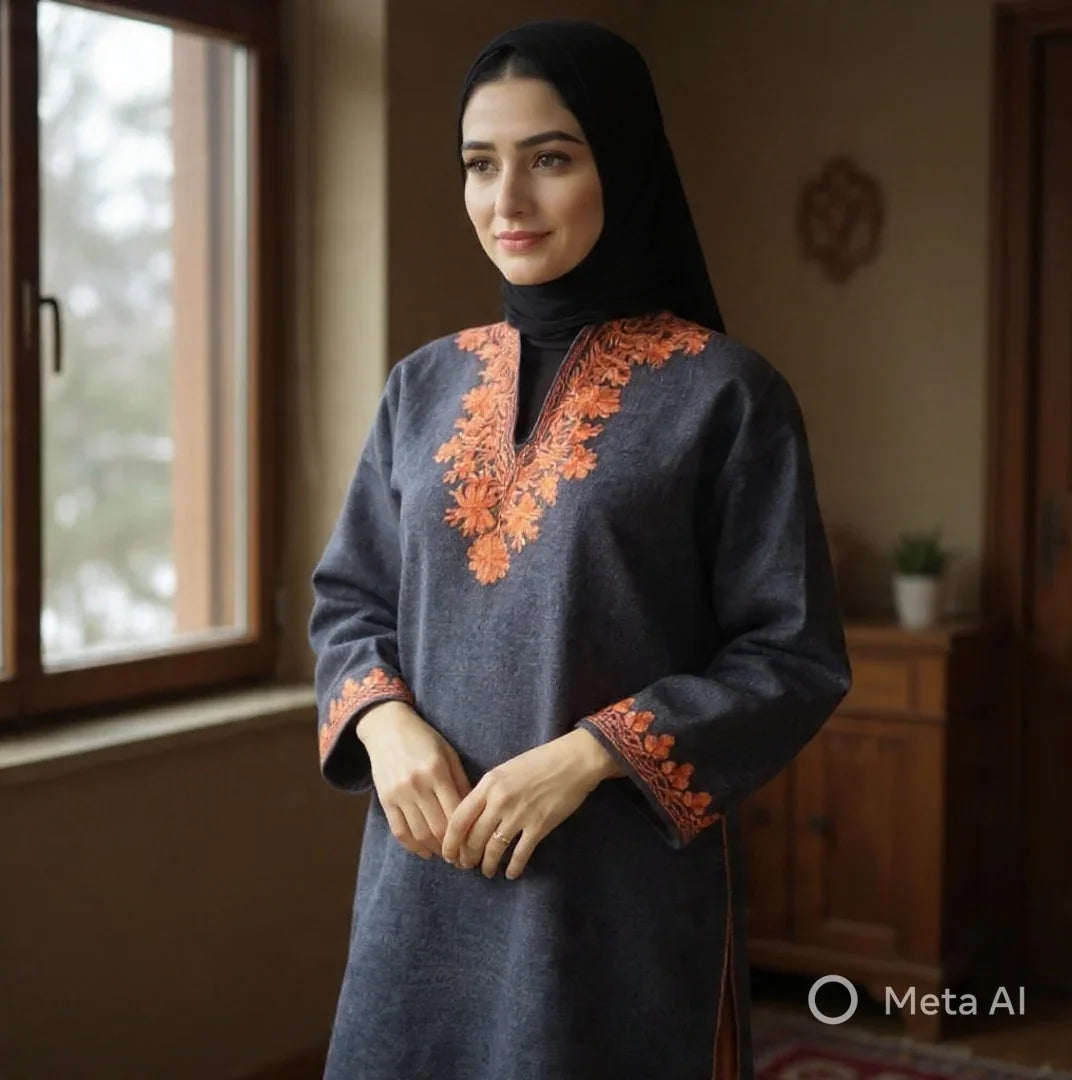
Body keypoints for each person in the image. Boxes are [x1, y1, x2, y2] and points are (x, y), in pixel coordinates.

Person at [308, 19, 851, 1080]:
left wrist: (591, 752)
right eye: (480, 164)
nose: (506, 202)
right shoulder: (422, 388)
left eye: (550, 158)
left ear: (625, 162)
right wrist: (382, 722)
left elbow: (790, 655)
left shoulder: (727, 396)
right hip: (422, 884)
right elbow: (348, 600)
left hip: (615, 897)